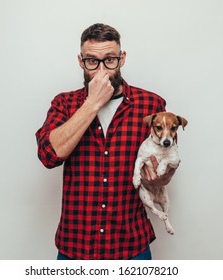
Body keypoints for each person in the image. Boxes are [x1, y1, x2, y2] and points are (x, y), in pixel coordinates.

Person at [36, 23, 177, 260]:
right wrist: (92, 104)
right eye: (92, 61)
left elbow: (167, 160)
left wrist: (162, 177)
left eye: (110, 59)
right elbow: (49, 156)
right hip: (76, 245)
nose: (101, 69)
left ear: (122, 59)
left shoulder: (152, 105)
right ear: (81, 62)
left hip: (131, 244)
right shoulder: (64, 104)